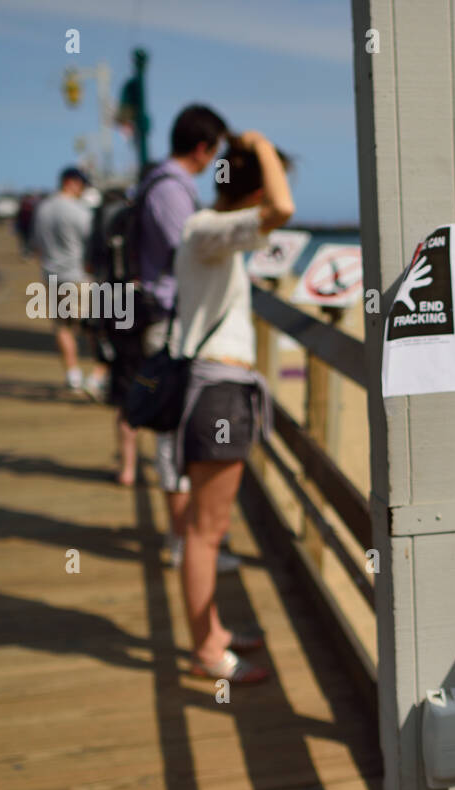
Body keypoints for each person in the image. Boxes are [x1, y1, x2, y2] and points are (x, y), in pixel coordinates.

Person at [170, 130, 293, 683]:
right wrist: (260, 146)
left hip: (222, 388)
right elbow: (282, 208)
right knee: (206, 529)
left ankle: (212, 633)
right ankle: (206, 651)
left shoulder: (211, 233)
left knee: (207, 526)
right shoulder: (207, 230)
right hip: (218, 390)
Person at [132, 105, 235, 562]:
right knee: (174, 435)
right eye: (216, 153)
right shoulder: (173, 189)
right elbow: (189, 252)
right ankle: (186, 542)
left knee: (176, 433)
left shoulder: (158, 182)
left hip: (168, 321)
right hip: (169, 324)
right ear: (203, 147)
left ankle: (190, 539)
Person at [30, 168, 106, 397]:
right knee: (95, 328)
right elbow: (94, 242)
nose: (83, 189)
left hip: (52, 276)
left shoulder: (42, 209)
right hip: (79, 276)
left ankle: (72, 374)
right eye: (81, 184)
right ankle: (97, 377)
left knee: (63, 327)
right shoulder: (79, 211)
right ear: (71, 183)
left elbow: (36, 244)